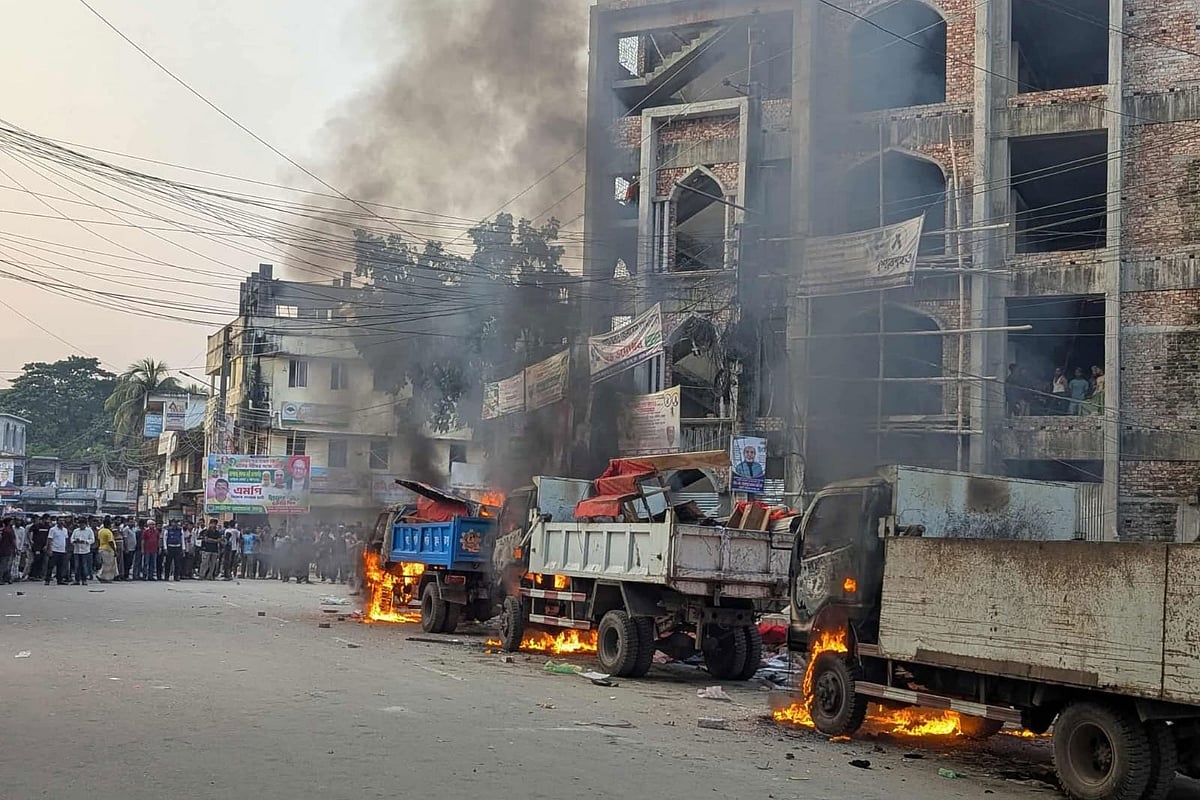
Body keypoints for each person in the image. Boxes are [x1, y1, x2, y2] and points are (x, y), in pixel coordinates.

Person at [44, 517, 70, 586]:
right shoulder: (53, 530)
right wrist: (49, 549)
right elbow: (49, 539)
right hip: (54, 550)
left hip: (62, 550)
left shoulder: (65, 530)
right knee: (50, 566)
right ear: (57, 521)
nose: (61, 522)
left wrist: (66, 549)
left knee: (60, 566)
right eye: (60, 520)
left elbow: (66, 539)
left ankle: (59, 580)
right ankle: (47, 580)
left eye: (63, 521)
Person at [70, 520, 95, 586]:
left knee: (84, 566)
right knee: (77, 566)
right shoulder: (76, 531)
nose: (81, 526)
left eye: (83, 524)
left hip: (85, 551)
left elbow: (92, 539)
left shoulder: (89, 531)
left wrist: (86, 541)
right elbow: (71, 539)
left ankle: (84, 580)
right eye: (80, 524)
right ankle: (77, 580)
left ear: (85, 524)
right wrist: (75, 541)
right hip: (77, 550)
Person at [96, 519, 117, 583]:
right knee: (108, 565)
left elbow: (98, 540)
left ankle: (103, 577)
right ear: (108, 525)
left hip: (102, 548)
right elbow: (110, 542)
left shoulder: (101, 531)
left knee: (105, 564)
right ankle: (102, 576)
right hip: (108, 549)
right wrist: (115, 550)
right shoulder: (108, 532)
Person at [0, 519, 16, 585]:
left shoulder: (3, 530)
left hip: (3, 549)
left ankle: (7, 578)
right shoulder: (9, 531)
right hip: (7, 549)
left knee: (5, 565)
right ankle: (3, 578)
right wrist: (16, 548)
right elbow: (13, 541)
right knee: (5, 565)